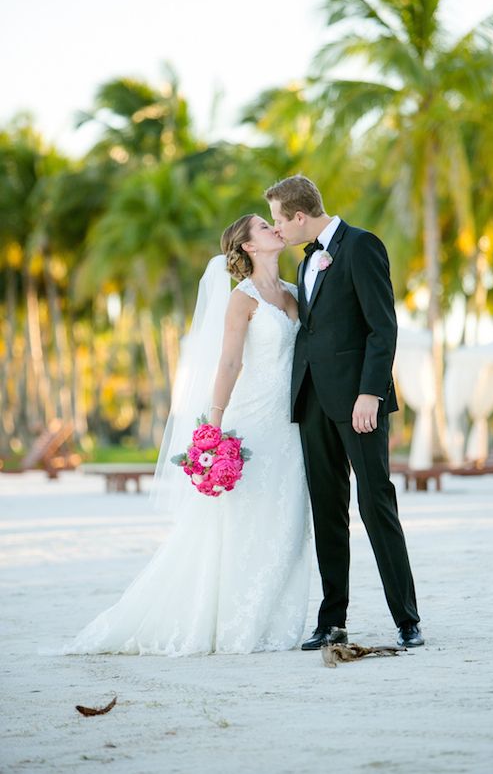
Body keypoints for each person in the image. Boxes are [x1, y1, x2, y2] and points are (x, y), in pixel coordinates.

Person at [55, 215, 311, 656]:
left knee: (286, 520)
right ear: (248, 247)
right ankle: (234, 622)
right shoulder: (242, 299)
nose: (274, 228)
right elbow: (229, 363)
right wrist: (213, 424)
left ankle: (274, 620)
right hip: (253, 419)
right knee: (239, 521)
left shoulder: (294, 292)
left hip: (293, 425)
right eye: (264, 227)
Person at [266, 175, 424, 650]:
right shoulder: (306, 259)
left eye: (278, 219)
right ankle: (332, 620)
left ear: (299, 215)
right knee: (326, 512)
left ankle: (407, 618)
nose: (277, 229)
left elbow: (383, 327)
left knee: (376, 504)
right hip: (311, 401)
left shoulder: (362, 246)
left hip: (359, 404)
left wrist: (370, 394)